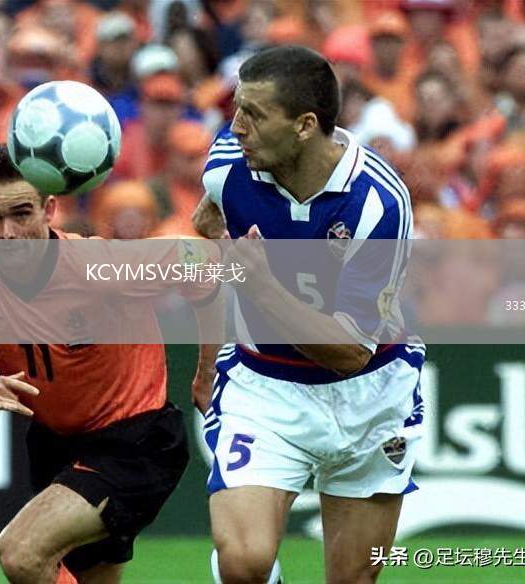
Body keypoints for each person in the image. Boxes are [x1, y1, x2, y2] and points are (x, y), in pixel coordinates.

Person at [0, 143, 221, 584]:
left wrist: (207, 370)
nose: (7, 234)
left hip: (136, 442)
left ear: (50, 209)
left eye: (21, 213)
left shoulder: (97, 266)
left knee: (21, 552)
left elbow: (205, 265)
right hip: (56, 447)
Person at [191, 46, 424, 584]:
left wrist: (264, 286)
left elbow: (350, 352)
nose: (236, 126)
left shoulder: (377, 203)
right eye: (236, 109)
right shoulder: (227, 168)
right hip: (265, 386)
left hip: (369, 392)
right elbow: (207, 227)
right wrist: (207, 361)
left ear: (304, 125)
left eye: (254, 114)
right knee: (243, 564)